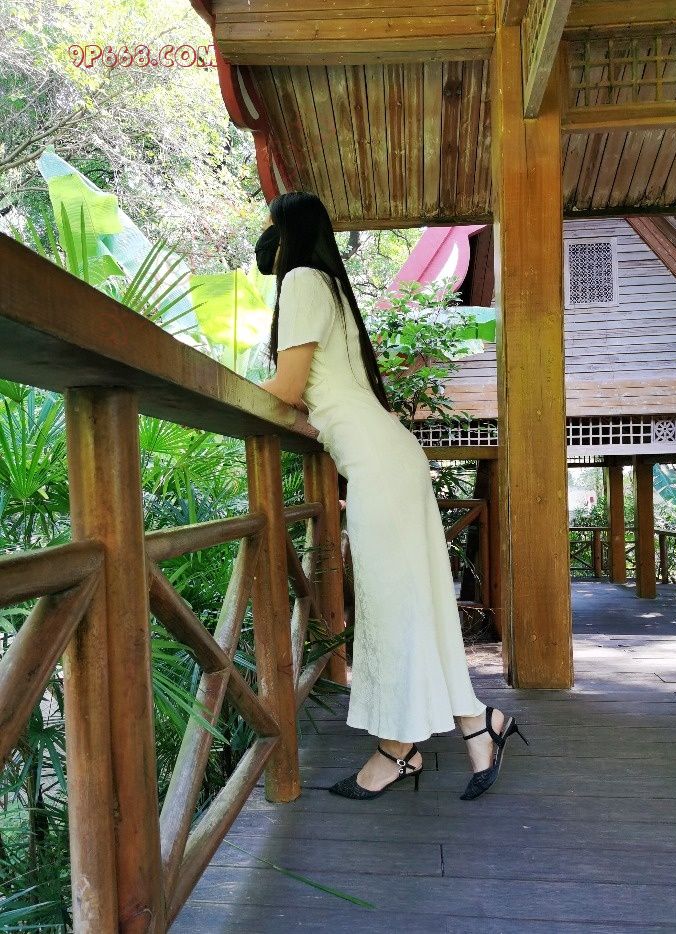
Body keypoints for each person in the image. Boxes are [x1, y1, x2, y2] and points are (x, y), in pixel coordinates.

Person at [256, 191, 528, 801]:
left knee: (391, 605)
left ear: (289, 232)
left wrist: (236, 389)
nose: (266, 247)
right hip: (390, 457)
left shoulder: (301, 280)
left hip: (379, 465)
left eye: (271, 231)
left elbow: (288, 387)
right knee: (414, 602)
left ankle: (399, 750)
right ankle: (477, 724)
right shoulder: (331, 288)